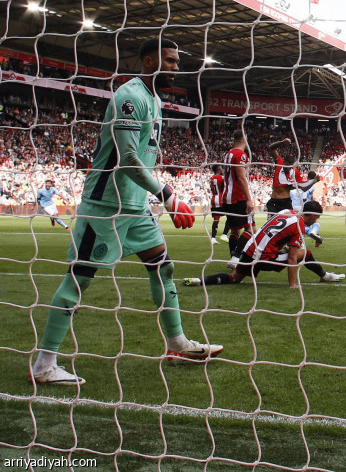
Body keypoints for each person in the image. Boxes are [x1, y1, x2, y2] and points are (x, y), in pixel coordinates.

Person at [30, 38, 222, 386]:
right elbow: (127, 158)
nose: (178, 67)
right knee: (80, 279)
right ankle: (44, 364)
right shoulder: (129, 97)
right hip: (105, 208)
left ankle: (177, 344)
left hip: (135, 208)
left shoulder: (155, 98)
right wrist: (167, 195)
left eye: (178, 61)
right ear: (149, 61)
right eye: (171, 60)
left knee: (162, 267)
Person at [183, 201, 344, 288]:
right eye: (315, 219)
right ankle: (325, 276)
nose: (314, 221)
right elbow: (292, 259)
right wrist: (292, 284)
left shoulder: (286, 212)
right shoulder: (299, 225)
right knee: (305, 253)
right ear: (312, 216)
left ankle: (199, 280)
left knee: (234, 279)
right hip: (263, 257)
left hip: (249, 250)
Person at [220, 131, 256, 257]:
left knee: (235, 230)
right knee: (251, 229)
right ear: (244, 139)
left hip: (227, 198)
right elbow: (241, 178)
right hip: (238, 197)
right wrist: (249, 200)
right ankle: (236, 257)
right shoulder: (241, 155)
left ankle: (232, 258)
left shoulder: (228, 154)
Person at [264, 137, 319, 219]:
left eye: (291, 165)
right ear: (284, 162)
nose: (289, 168)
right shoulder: (279, 163)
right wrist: (282, 142)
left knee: (288, 224)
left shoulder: (296, 172)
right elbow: (271, 148)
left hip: (285, 202)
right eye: (287, 165)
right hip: (273, 201)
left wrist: (314, 182)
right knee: (271, 224)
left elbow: (303, 188)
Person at [208, 164, 225, 244]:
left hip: (214, 199)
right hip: (221, 199)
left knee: (216, 219)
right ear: (218, 169)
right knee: (231, 215)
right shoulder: (221, 178)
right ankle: (224, 234)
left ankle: (213, 238)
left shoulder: (211, 178)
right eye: (221, 168)